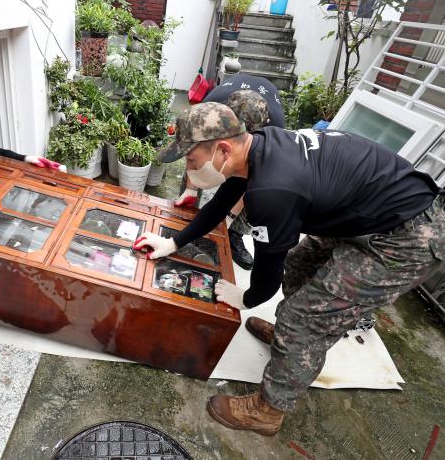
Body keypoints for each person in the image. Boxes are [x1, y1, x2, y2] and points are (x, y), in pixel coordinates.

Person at [134, 102, 444, 436]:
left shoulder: (272, 191)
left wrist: (246, 297)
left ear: (223, 148)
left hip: (409, 237)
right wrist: (174, 243)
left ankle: (268, 409)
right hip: (374, 210)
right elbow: (221, 204)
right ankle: (296, 344)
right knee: (300, 265)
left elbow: (267, 276)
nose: (189, 168)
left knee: (304, 318)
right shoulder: (256, 147)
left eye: (191, 160)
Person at [176, 74, 286, 271]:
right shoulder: (210, 112)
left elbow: (249, 178)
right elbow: (190, 150)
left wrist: (228, 217)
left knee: (246, 184)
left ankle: (234, 234)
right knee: (200, 159)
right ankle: (185, 213)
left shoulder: (273, 129)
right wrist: (191, 189)